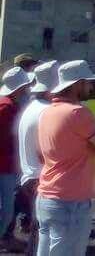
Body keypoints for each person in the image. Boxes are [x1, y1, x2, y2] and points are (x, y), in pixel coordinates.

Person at [37, 60, 95, 256]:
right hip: (71, 199)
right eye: (88, 82)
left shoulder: (47, 112)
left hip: (47, 194)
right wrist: (91, 147)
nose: (91, 87)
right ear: (78, 84)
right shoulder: (78, 113)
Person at [17, 61, 58, 256]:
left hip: (31, 175)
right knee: (45, 235)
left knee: (38, 232)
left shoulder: (33, 106)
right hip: (41, 177)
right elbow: (49, 150)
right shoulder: (46, 112)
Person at [0, 66, 34, 253]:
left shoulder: (7, 104)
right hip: (4, 166)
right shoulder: (7, 108)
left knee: (7, 209)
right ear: (19, 88)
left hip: (7, 165)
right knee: (5, 212)